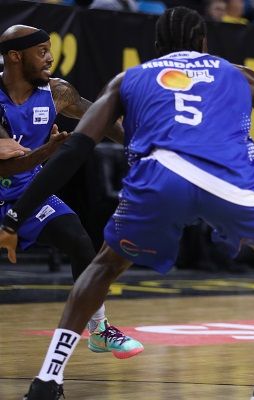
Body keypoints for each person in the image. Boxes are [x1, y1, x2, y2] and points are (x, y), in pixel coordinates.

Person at [0, 7, 254, 400]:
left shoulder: (128, 79)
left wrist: (15, 217)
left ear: (156, 46)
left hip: (158, 183)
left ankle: (48, 379)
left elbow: (73, 152)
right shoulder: (237, 73)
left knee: (103, 265)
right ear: (204, 43)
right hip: (230, 182)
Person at [0, 24, 143, 360]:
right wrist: (49, 151)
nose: (50, 58)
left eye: (50, 50)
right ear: (15, 56)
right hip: (10, 181)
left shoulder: (57, 92)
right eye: (42, 51)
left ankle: (99, 330)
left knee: (79, 242)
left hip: (28, 194)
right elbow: (6, 168)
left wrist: (142, 148)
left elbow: (102, 119)